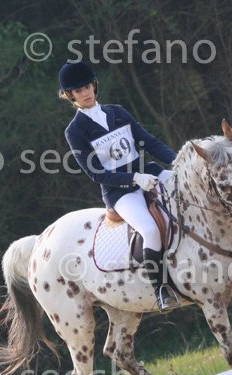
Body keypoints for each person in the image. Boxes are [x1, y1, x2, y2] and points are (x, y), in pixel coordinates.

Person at [59, 60, 180, 312]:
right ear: (71, 95)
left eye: (88, 86)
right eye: (79, 90)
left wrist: (179, 162)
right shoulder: (75, 130)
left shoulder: (117, 112)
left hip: (148, 172)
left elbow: (148, 142)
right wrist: (134, 178)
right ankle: (161, 289)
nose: (86, 92)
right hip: (120, 191)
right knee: (149, 229)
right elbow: (95, 173)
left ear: (94, 85)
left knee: (188, 192)